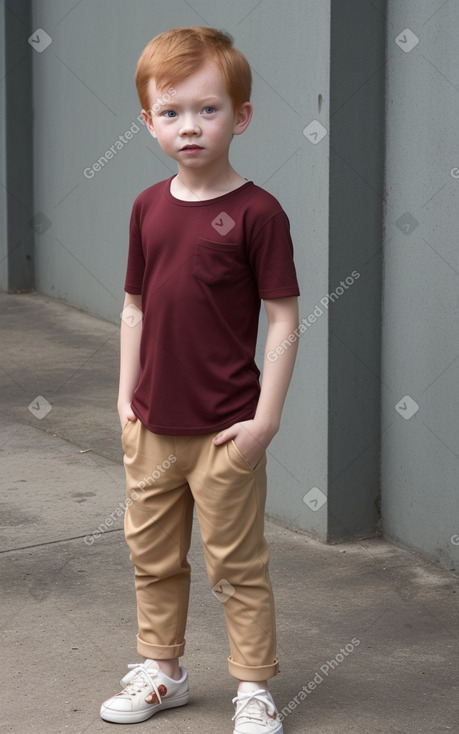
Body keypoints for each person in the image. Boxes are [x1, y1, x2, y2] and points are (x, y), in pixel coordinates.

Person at [100, 26, 300, 734]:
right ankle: (163, 671)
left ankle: (252, 688)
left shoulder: (257, 214)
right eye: (172, 111)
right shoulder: (147, 208)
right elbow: (134, 306)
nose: (190, 126)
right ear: (148, 123)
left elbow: (282, 321)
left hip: (225, 433)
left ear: (240, 116)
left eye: (208, 109)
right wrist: (125, 395)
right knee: (152, 560)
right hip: (150, 428)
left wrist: (264, 422)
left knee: (236, 569)